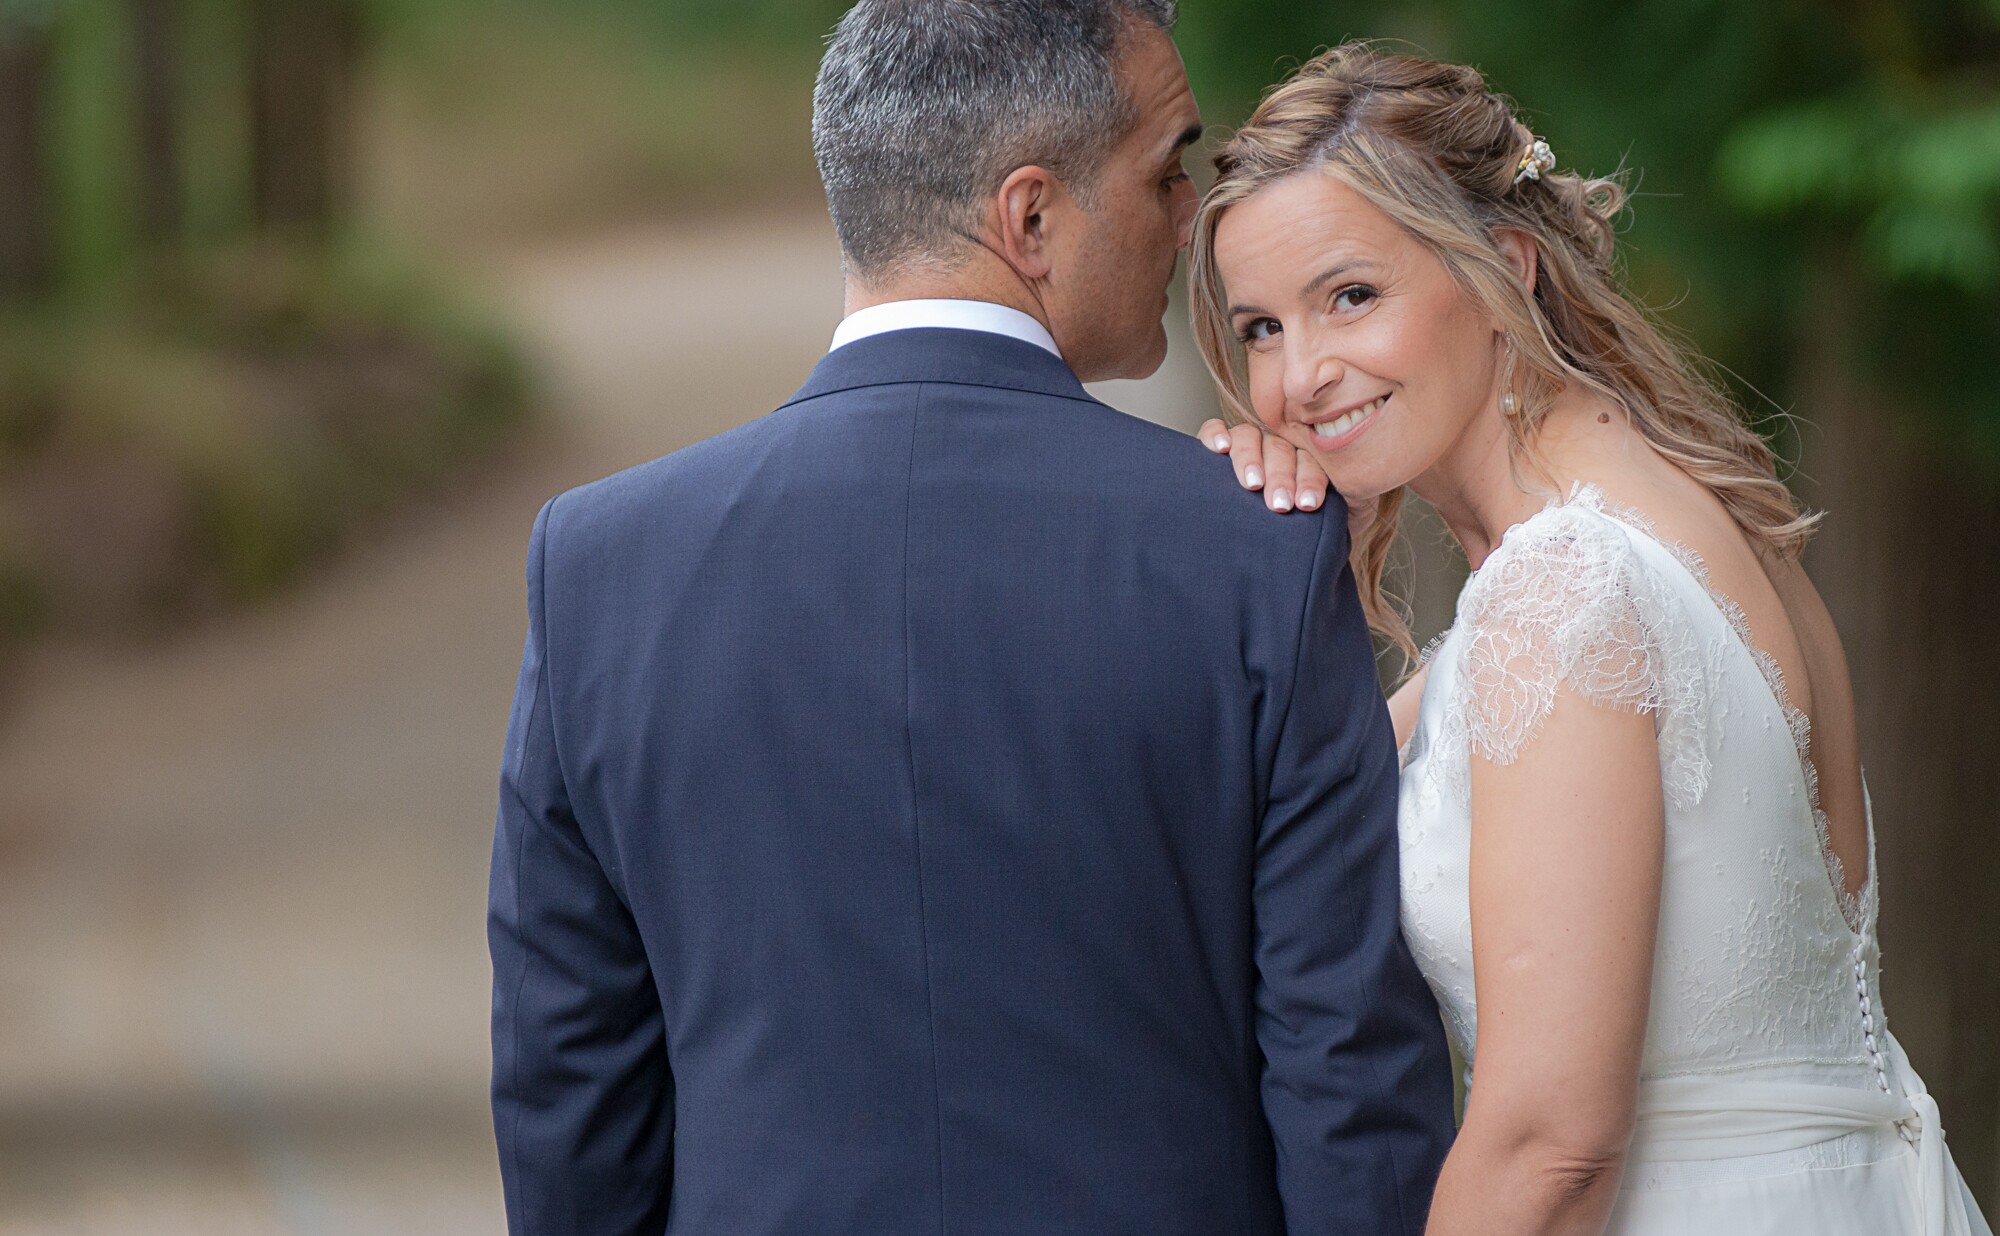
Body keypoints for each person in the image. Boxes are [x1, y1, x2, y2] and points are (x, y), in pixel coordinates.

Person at [486, 6, 1454, 1234]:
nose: (1188, 222)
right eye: (1165, 172)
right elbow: (1349, 1085)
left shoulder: (600, 567)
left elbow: (568, 1090)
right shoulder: (1249, 550)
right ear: (1031, 216)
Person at [1190, 43, 1994, 1236]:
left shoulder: (1560, 591)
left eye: (1349, 296)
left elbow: (1550, 1146)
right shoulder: (1686, 517)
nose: (1297, 377)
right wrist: (1282, 557)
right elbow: (1316, 796)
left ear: (1503, 268)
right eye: (1259, 328)